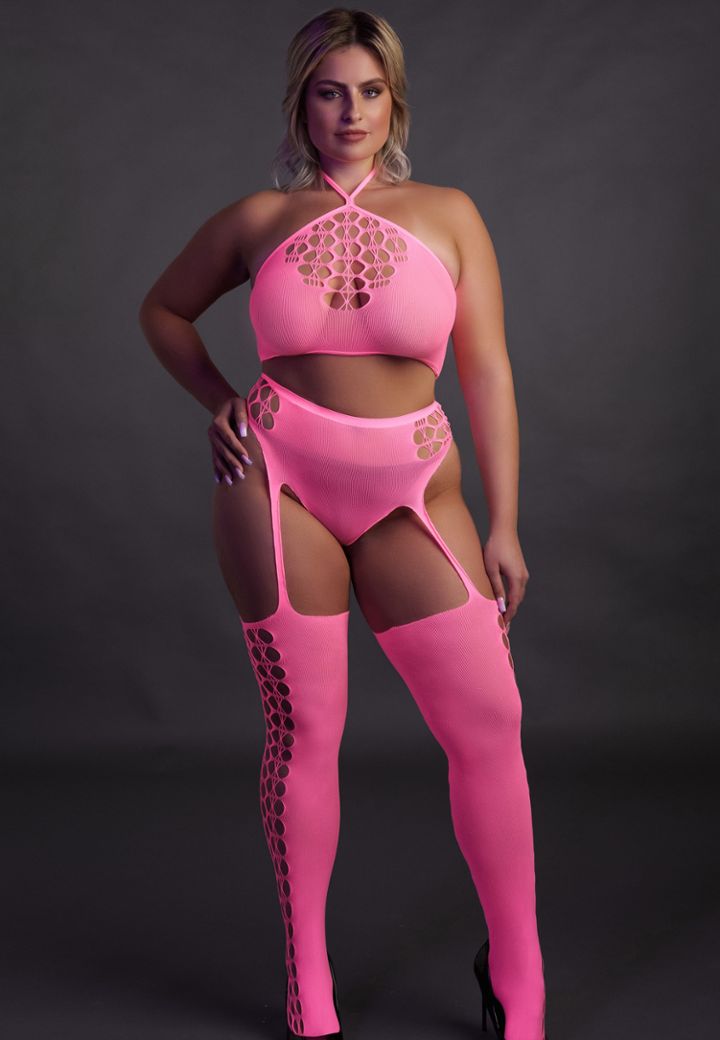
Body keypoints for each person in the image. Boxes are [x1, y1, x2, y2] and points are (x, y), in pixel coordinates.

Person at [138, 8, 548, 1040]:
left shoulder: (450, 214)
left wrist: (504, 523)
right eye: (330, 92)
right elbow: (163, 310)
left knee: (489, 722)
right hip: (276, 480)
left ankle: (520, 976)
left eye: (369, 91)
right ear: (301, 104)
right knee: (306, 731)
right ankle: (309, 988)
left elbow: (488, 370)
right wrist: (218, 398)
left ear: (394, 103)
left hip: (416, 493)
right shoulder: (257, 219)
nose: (351, 112)